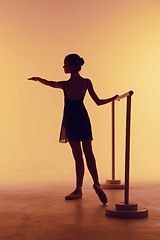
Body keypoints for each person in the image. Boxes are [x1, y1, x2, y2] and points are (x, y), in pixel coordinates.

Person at [28, 53, 118, 205]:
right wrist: (112, 98)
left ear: (72, 66)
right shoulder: (86, 82)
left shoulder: (65, 84)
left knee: (78, 157)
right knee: (89, 153)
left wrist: (38, 79)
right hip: (83, 119)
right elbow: (98, 102)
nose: (63, 67)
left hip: (71, 121)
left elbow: (51, 83)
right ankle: (96, 183)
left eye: (65, 64)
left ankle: (78, 188)